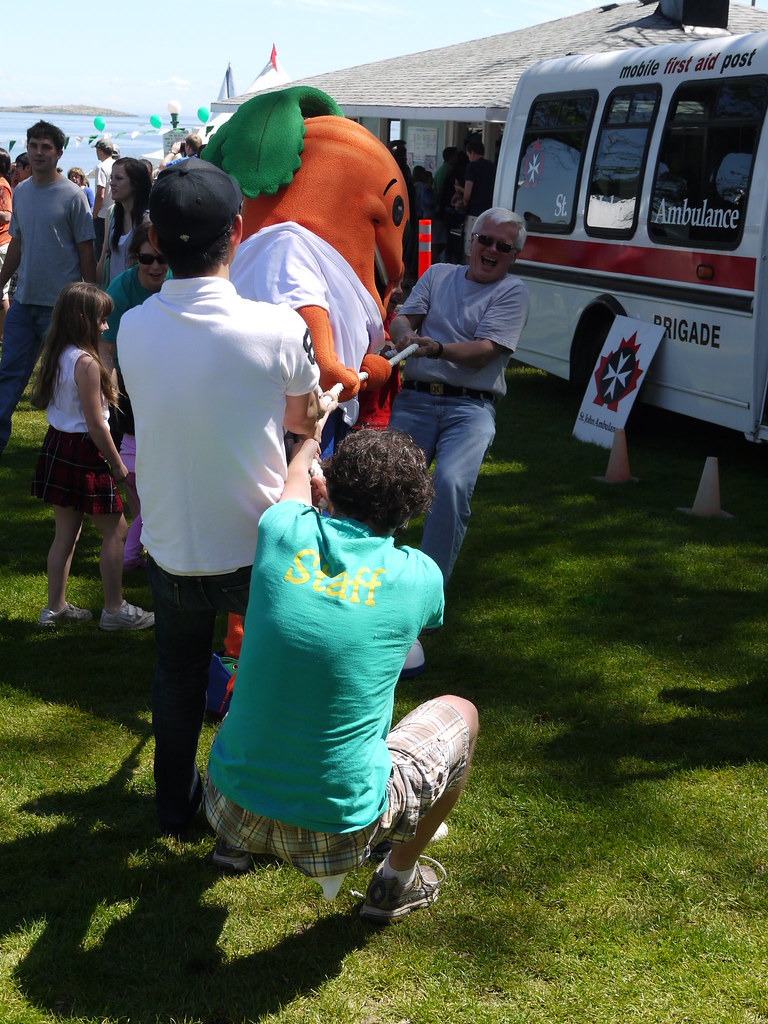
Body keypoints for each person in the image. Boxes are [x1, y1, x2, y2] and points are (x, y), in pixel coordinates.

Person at [118, 160, 322, 837]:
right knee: (266, 680)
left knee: (176, 678)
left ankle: (175, 811)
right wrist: (316, 419)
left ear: (157, 234)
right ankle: (252, 804)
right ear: (236, 231)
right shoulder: (276, 327)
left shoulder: (134, 327)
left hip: (174, 542)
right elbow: (301, 421)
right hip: (254, 545)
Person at [204, 428, 478, 923]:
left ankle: (232, 849)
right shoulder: (420, 577)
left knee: (268, 682)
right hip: (337, 836)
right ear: (409, 510)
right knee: (464, 713)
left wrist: (309, 443)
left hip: (228, 804)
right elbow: (425, 620)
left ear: (327, 486)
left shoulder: (281, 530)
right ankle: (395, 883)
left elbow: (291, 479)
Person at [388, 207, 529, 588]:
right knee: (387, 484)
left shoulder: (513, 292)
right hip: (414, 400)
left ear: (514, 256)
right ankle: (371, 573)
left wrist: (436, 350)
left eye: (504, 246)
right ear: (471, 241)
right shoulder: (437, 274)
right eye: (485, 240)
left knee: (449, 485)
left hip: (470, 408)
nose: (492, 250)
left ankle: (428, 593)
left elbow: (484, 351)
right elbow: (405, 318)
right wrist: (403, 334)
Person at [30, 282, 155, 631]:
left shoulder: (58, 353)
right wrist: (117, 463)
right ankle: (114, 610)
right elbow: (97, 423)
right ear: (84, 319)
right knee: (117, 531)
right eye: (101, 320)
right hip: (85, 450)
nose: (105, 326)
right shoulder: (85, 363)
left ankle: (54, 608)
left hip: (58, 445)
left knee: (65, 534)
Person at [0, 120, 96, 458]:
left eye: (46, 147)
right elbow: (17, 243)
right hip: (24, 302)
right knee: (8, 375)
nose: (39, 152)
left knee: (68, 383)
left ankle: (79, 450)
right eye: (34, 146)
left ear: (58, 153)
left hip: (63, 307)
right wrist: (1, 283)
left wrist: (91, 298)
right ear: (27, 148)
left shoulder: (72, 196)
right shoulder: (22, 192)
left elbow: (86, 250)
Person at [100, 222, 170, 572]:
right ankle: (140, 543)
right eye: (147, 259)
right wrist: (110, 394)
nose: (156, 267)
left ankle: (144, 540)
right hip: (131, 383)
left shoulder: (177, 283)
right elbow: (106, 349)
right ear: (135, 258)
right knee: (134, 470)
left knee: (157, 469)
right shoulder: (122, 288)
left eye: (162, 259)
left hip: (172, 382)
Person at [96, 157, 152, 286]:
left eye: (119, 178)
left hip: (135, 298)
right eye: (111, 177)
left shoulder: (147, 220)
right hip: (111, 296)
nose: (112, 183)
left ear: (135, 184)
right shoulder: (111, 214)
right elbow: (103, 258)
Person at [454, 138, 496, 261]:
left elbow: (468, 194)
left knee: (471, 249)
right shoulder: (492, 166)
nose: (468, 158)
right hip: (489, 214)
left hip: (474, 213)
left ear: (472, 152)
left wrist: (463, 200)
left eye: (468, 155)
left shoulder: (472, 167)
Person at [92, 139, 115, 259]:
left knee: (100, 252)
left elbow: (100, 194)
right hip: (115, 212)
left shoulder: (101, 167)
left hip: (102, 215)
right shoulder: (117, 164)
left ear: (100, 150)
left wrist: (94, 213)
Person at [0, 148, 11, 339]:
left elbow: (7, 216)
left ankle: (6, 334)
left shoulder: (2, 186)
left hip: (2, 244)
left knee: (2, 293)